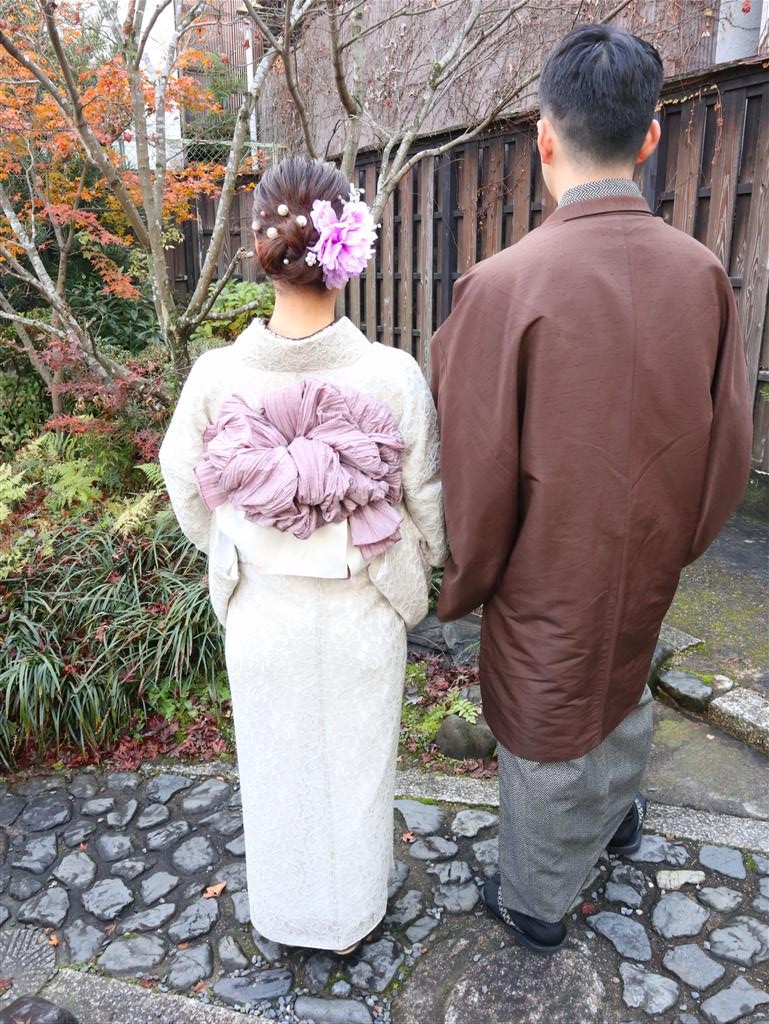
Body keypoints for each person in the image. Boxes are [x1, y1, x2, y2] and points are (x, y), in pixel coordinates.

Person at [431, 24, 753, 955]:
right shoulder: (701, 275)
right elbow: (728, 441)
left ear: (543, 136)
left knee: (544, 721)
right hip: (649, 546)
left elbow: (475, 469)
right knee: (620, 679)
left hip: (542, 562)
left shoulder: (500, 285)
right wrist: (677, 538)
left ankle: (536, 900)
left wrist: (470, 576)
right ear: (648, 138)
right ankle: (616, 819)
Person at [160, 157, 446, 953]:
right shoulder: (390, 374)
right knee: (355, 766)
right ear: (348, 251)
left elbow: (184, 481)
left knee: (276, 764)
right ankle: (349, 917)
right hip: (360, 608)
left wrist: (234, 544)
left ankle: (286, 916)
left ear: (261, 248)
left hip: (262, 609)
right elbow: (425, 497)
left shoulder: (217, 376)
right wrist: (410, 564)